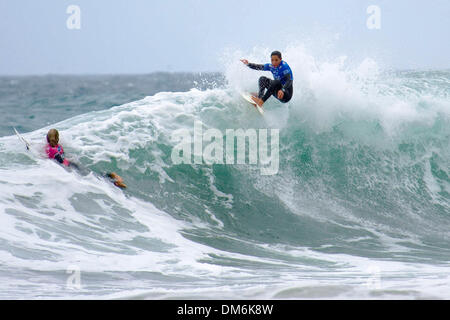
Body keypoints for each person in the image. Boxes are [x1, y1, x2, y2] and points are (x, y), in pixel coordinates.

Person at [45, 129, 127, 189]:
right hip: (71, 163)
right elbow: (62, 156)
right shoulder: (58, 146)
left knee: (90, 178)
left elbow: (59, 161)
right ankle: (109, 175)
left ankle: (114, 182)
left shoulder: (49, 149)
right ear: (57, 139)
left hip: (69, 166)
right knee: (91, 174)